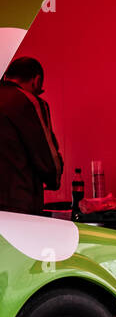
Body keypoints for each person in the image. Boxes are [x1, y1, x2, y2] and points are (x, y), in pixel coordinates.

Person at [0, 56, 63, 215]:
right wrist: (54, 179)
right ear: (36, 80)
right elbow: (46, 154)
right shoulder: (28, 102)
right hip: (18, 202)